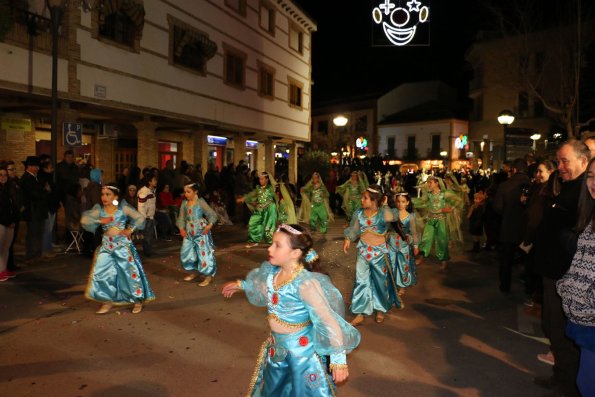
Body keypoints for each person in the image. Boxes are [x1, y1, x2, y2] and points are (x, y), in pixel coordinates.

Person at [221, 224, 360, 396]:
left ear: (295, 253)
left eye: (277, 245)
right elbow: (264, 289)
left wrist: (339, 360)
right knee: (274, 391)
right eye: (272, 243)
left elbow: (328, 320)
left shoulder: (305, 284)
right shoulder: (273, 275)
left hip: (303, 356)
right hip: (276, 350)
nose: (270, 248)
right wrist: (241, 285)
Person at [533, 140, 589, 397]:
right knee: (552, 329)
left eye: (565, 161)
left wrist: (565, 239)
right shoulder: (568, 187)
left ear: (583, 161)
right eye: (558, 161)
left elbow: (579, 238)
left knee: (562, 334)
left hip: (564, 277)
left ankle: (569, 387)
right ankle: (561, 377)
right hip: (552, 273)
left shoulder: (585, 192)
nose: (560, 166)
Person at [81, 184, 155, 314]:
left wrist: (130, 229)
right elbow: (85, 220)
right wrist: (100, 221)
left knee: (128, 274)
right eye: (103, 194)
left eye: (108, 194)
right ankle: (107, 301)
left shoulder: (123, 208)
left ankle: (137, 300)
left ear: (115, 196)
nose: (104, 197)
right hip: (106, 247)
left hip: (122, 247)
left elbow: (140, 218)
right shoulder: (100, 210)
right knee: (102, 274)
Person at [557, 156, 595, 397]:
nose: (593, 182)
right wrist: (567, 286)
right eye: (591, 176)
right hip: (585, 324)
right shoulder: (590, 218)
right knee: (585, 384)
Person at [344, 185, 401, 325]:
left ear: (374, 200)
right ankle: (360, 312)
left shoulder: (383, 213)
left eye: (365, 198)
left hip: (379, 253)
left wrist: (386, 204)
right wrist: (348, 239)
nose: (362, 200)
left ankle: (380, 309)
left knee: (380, 282)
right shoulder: (359, 213)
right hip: (363, 251)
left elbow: (390, 217)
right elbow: (355, 228)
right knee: (361, 281)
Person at [493, 158, 531, 293]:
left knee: (506, 260)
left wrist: (507, 213)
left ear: (514, 169)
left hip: (508, 227)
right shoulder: (533, 185)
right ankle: (529, 289)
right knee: (528, 260)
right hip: (527, 229)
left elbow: (497, 207)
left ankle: (505, 285)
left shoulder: (505, 185)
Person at [412, 176, 463, 271]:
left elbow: (458, 201)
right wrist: (409, 202)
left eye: (430, 182)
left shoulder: (444, 194)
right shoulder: (429, 194)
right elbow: (421, 202)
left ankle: (444, 261)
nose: (428, 184)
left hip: (441, 220)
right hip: (430, 220)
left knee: (442, 240)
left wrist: (450, 209)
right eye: (428, 182)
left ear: (437, 183)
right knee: (425, 239)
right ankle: (421, 258)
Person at [177, 182, 218, 287]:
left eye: (188, 192)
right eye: (185, 192)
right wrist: (181, 228)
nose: (186, 194)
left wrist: (209, 225)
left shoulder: (200, 202)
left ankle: (208, 275)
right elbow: (181, 217)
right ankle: (194, 272)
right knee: (186, 253)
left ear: (195, 192)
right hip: (189, 232)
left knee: (204, 254)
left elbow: (211, 214)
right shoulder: (184, 203)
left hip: (200, 231)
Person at [387, 193, 418, 295]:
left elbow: (413, 232)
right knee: (391, 264)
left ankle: (402, 287)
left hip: (403, 245)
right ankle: (392, 285)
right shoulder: (392, 215)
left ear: (407, 203)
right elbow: (386, 228)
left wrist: (415, 245)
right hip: (391, 243)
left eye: (403, 202)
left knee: (403, 265)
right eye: (398, 202)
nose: (400, 204)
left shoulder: (410, 217)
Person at [19, 156, 48, 263]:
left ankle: (37, 254)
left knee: (39, 233)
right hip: (33, 211)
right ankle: (31, 256)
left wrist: (43, 191)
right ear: (29, 166)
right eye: (36, 166)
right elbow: (35, 194)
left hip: (38, 210)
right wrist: (45, 191)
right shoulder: (26, 178)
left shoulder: (35, 177)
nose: (38, 168)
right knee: (33, 234)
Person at [241, 171, 278, 248]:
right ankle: (255, 239)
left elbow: (276, 198)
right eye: (260, 179)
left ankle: (270, 240)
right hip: (259, 209)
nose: (260, 181)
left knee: (269, 225)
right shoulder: (258, 188)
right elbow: (251, 194)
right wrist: (243, 198)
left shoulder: (271, 188)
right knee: (252, 222)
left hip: (270, 209)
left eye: (262, 179)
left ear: (267, 179)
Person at [0, 164, 18, 281]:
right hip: (2, 222)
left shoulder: (8, 188)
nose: (3, 177)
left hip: (10, 223)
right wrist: (8, 222)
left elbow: (13, 206)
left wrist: (14, 220)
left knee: (6, 247)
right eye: (0, 175)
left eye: (5, 175)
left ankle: (3, 269)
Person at [137, 175, 158, 257]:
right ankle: (147, 253)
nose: (156, 181)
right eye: (154, 180)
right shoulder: (144, 192)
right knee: (147, 236)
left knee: (149, 235)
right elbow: (141, 206)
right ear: (149, 182)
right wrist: (144, 217)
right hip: (147, 218)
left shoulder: (151, 191)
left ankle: (148, 251)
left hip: (150, 216)